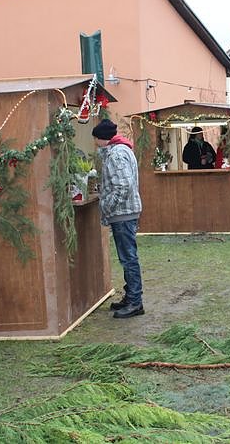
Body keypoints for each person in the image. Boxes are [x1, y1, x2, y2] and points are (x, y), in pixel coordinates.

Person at [92, 118, 145, 319]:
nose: (95, 143)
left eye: (95, 139)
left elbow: (123, 186)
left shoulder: (115, 155)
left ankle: (135, 302)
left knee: (128, 258)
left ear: (102, 138)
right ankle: (130, 297)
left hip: (123, 214)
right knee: (127, 257)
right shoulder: (122, 150)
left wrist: (107, 206)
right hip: (125, 213)